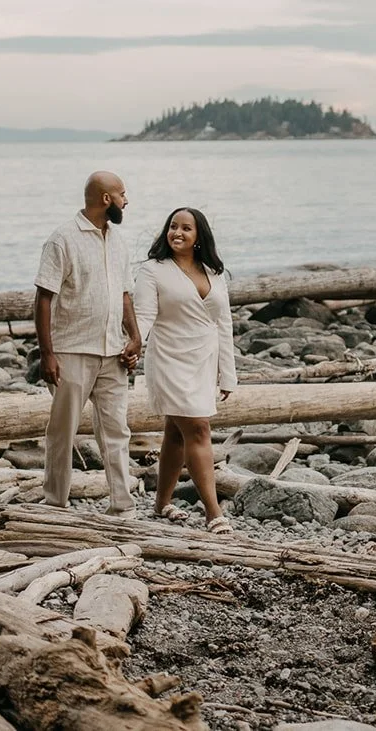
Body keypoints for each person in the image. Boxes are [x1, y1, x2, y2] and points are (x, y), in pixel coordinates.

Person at [35, 171, 142, 517]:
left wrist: (135, 336)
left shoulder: (119, 240)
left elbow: (124, 294)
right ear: (106, 199)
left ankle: (122, 504)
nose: (127, 200)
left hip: (113, 353)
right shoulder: (62, 239)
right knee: (62, 431)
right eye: (122, 194)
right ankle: (55, 502)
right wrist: (48, 353)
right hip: (71, 352)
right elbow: (43, 298)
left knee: (116, 430)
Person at [133, 207, 237, 534]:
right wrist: (130, 346)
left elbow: (224, 325)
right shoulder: (153, 271)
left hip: (203, 359)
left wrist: (227, 373)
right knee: (198, 429)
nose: (177, 232)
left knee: (176, 432)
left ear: (198, 236)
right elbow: (143, 316)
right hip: (169, 358)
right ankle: (213, 512)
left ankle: (162, 503)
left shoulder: (214, 272)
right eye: (172, 226)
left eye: (186, 228)